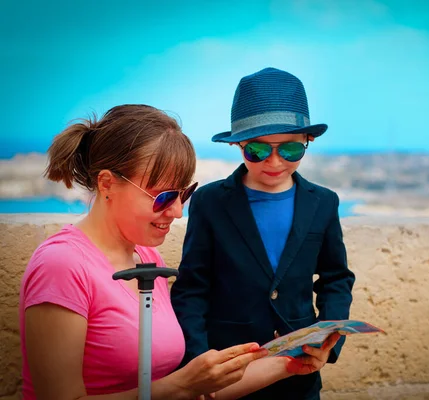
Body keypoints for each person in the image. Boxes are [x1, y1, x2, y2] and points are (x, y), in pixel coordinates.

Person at [18, 104, 324, 400]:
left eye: (183, 195)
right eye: (163, 197)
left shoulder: (147, 259)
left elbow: (196, 390)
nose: (177, 212)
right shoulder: (61, 266)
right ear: (107, 183)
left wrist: (290, 361)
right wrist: (180, 386)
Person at [170, 67, 356, 399]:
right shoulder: (210, 201)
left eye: (289, 150)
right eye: (257, 150)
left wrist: (328, 341)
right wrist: (199, 359)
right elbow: (191, 288)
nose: (273, 161)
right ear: (239, 144)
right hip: (228, 371)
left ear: (306, 142)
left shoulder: (324, 203)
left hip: (299, 375)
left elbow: (336, 279)